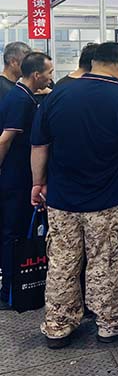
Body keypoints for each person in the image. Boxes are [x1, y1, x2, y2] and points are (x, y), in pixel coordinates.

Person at [30, 42, 118, 348]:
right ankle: (110, 322)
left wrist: (38, 183)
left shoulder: (57, 95)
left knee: (62, 261)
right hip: (108, 201)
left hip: (62, 199)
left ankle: (58, 325)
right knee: (105, 262)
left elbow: (39, 145)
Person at [0, 52, 54, 308]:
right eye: (49, 73)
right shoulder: (20, 100)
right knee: (13, 233)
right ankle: (10, 289)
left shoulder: (23, 95)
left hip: (19, 176)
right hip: (15, 179)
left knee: (18, 231)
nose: (51, 77)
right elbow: (5, 140)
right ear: (36, 74)